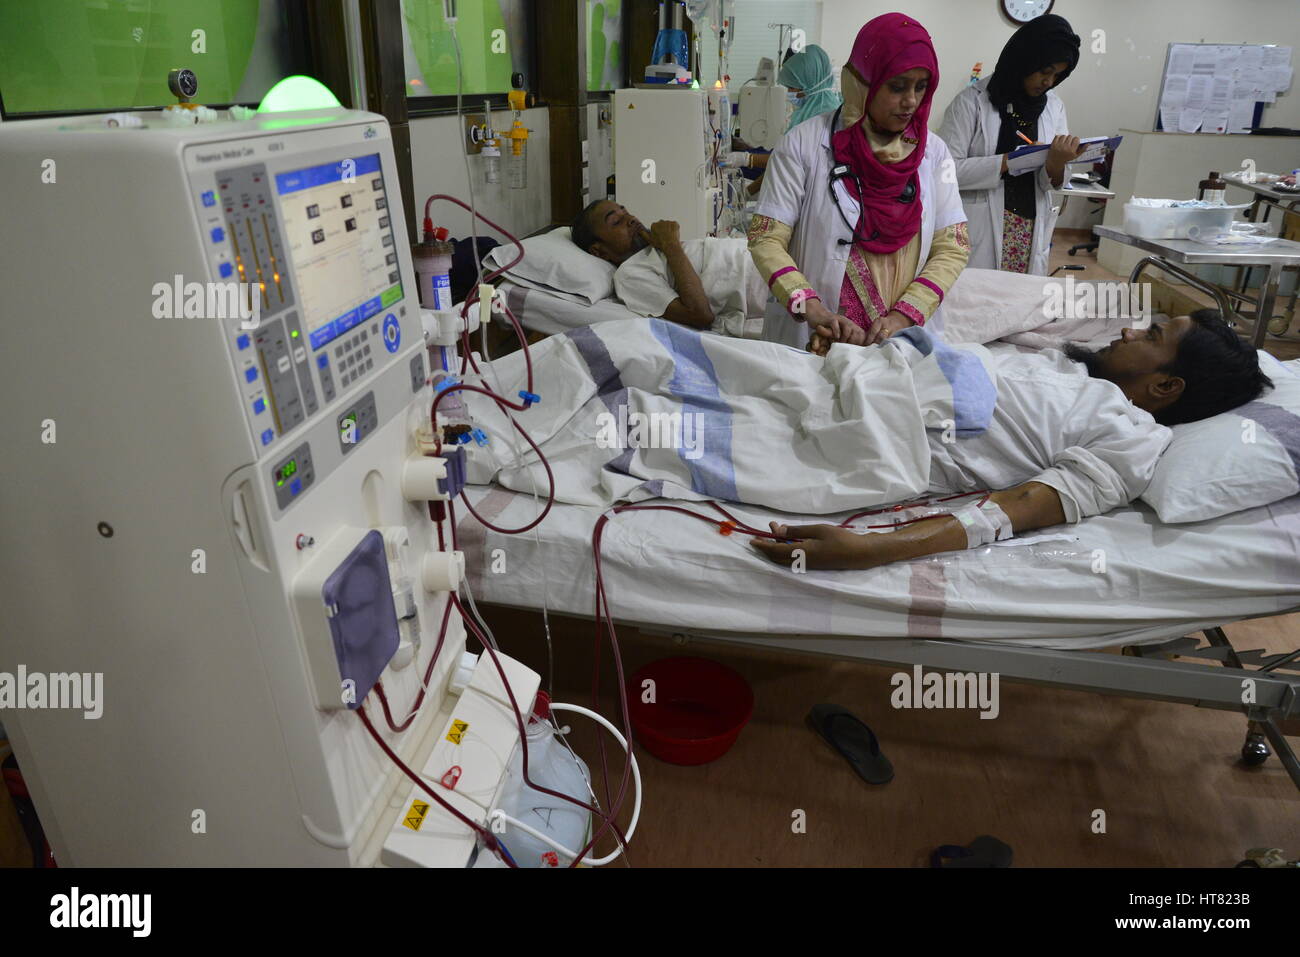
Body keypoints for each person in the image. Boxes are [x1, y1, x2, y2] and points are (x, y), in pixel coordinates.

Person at [753, 310, 1271, 570]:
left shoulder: (1132, 437)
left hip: (851, 432)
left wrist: (870, 549)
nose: (1130, 332)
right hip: (835, 381)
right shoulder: (1069, 365)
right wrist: (862, 351)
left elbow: (1013, 509)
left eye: (1151, 336)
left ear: (1165, 386)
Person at [747, 13, 969, 355]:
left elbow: (952, 247)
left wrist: (903, 315)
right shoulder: (802, 145)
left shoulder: (935, 154)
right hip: (816, 335)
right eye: (897, 86)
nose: (911, 101)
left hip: (899, 338)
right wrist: (813, 309)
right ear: (861, 84)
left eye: (921, 86)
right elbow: (766, 238)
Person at [937, 14, 1083, 275]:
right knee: (978, 303)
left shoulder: (1053, 107)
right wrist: (1008, 162)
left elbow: (1055, 180)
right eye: (1044, 71)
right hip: (980, 227)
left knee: (1018, 304)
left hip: (1029, 229)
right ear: (1024, 60)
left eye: (1057, 75)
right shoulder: (970, 103)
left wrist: (1057, 163)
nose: (1048, 82)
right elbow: (946, 172)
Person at [570, 199, 769, 337]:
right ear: (600, 251)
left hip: (764, 257)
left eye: (626, 212)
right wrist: (671, 243)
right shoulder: (629, 274)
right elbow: (699, 315)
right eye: (616, 221)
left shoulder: (654, 250)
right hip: (763, 282)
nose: (630, 218)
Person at [779, 44, 842, 132]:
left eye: (792, 87)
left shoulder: (822, 114)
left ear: (809, 85)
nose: (789, 92)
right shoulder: (811, 107)